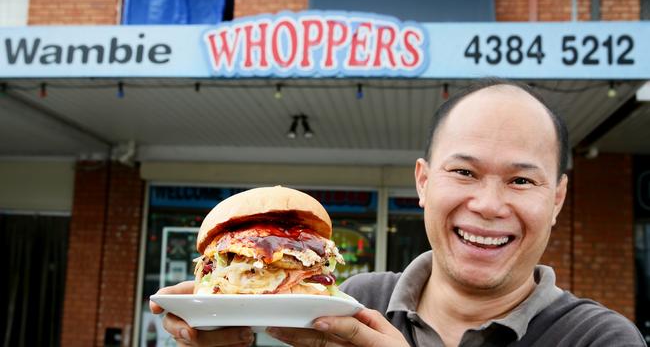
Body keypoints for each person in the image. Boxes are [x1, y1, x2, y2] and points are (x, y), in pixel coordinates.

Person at [150, 78, 646, 346]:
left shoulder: (598, 338)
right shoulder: (355, 304)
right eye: (465, 173)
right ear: (424, 183)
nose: (489, 206)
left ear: (556, 199)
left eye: (521, 180)